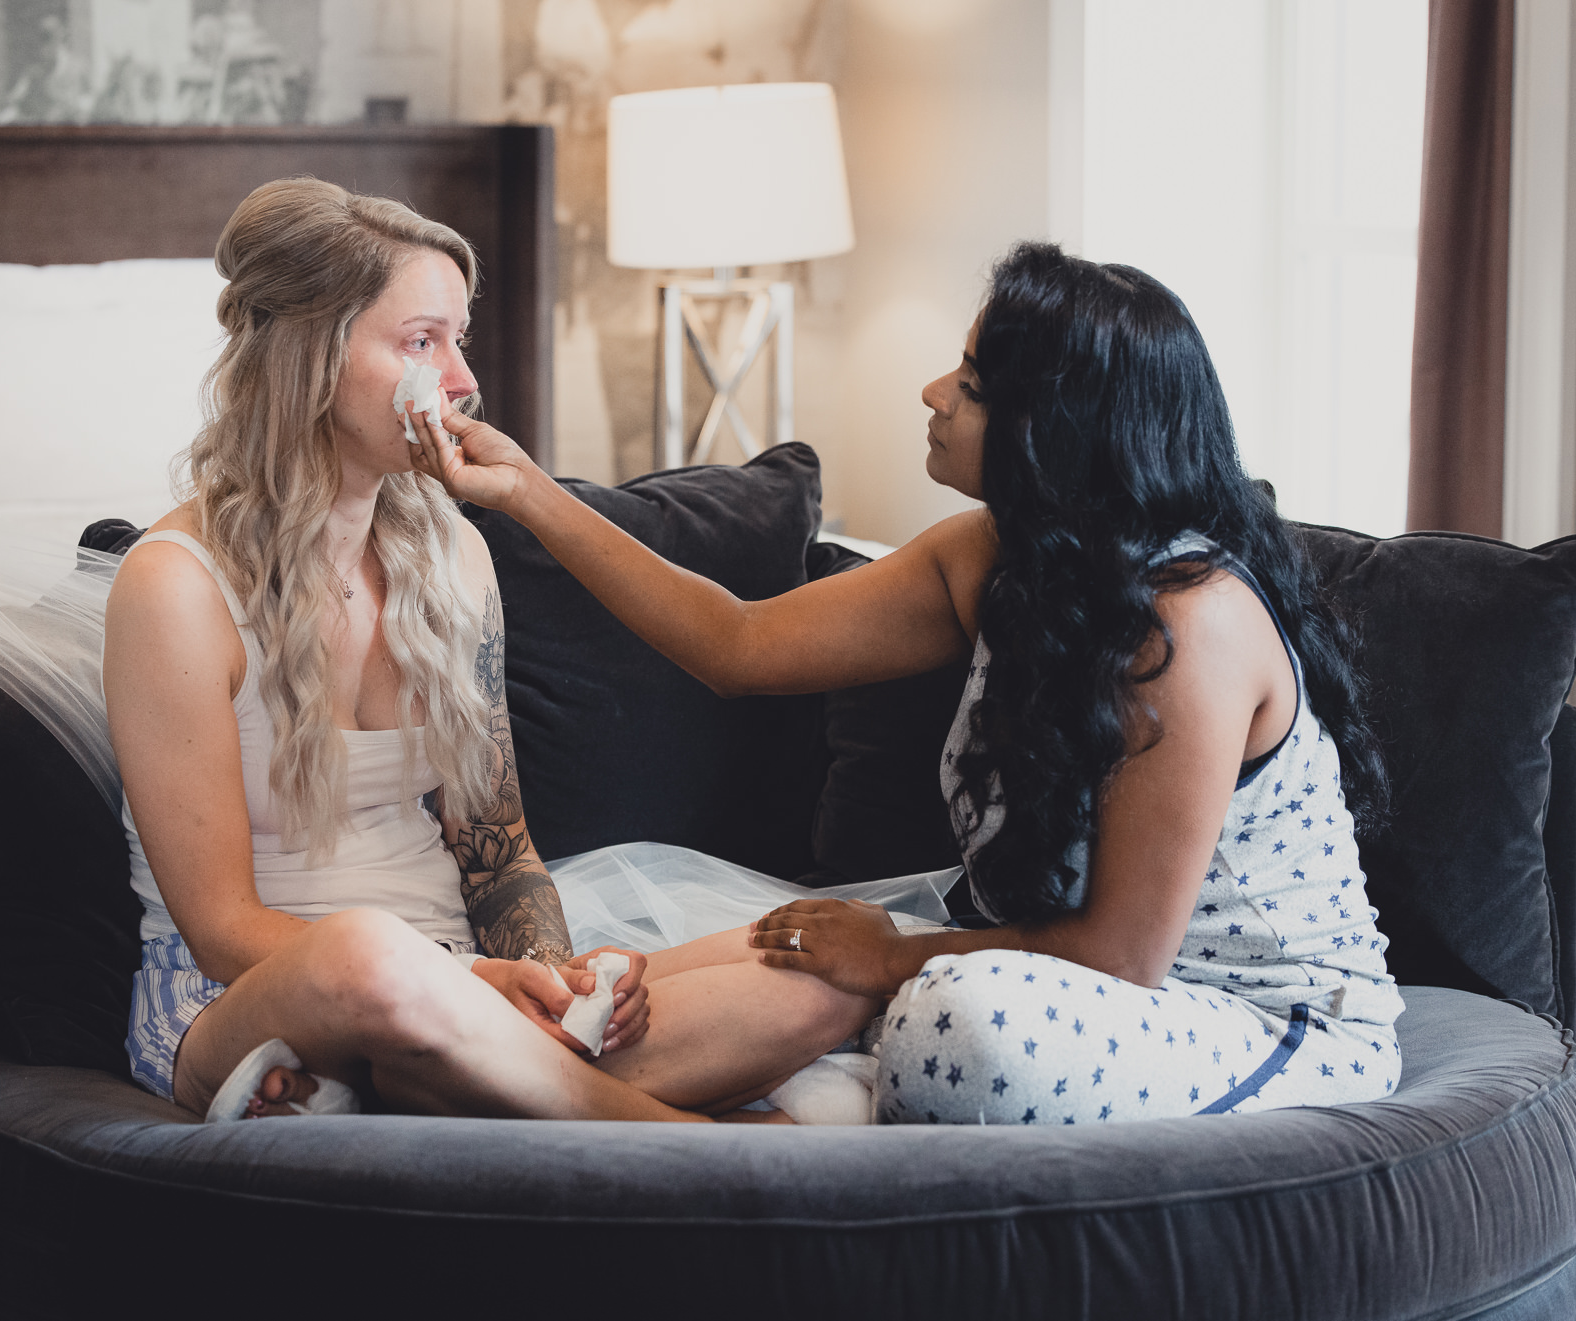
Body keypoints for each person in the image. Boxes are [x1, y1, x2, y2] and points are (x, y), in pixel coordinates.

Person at [407, 242, 1405, 1127]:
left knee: (951, 1014)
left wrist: (890, 959)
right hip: (1052, 973)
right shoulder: (992, 556)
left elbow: (1121, 957)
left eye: (971, 381)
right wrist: (528, 492)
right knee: (735, 959)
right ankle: (438, 1051)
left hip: (1253, 1019)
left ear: (1046, 427)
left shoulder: (1190, 623)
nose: (934, 392)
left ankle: (753, 1097)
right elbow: (736, 643)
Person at [104, 177, 890, 1124]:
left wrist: (560, 988)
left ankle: (449, 1082)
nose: (462, 381)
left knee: (828, 962)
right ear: (311, 356)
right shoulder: (176, 586)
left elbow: (499, 850)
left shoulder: (453, 556)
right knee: (367, 952)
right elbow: (220, 927)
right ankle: (673, 1135)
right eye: (421, 342)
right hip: (253, 996)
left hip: (462, 983)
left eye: (458, 341)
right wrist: (467, 985)